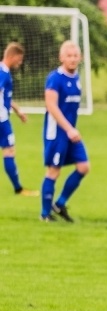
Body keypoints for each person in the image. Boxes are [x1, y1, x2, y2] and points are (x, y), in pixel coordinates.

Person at [40, 41, 90, 222]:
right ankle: (45, 214)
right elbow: (51, 105)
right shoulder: (55, 78)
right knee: (54, 171)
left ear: (80, 58)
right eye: (69, 56)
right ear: (61, 58)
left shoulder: (76, 79)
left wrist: (71, 130)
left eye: (75, 55)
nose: (72, 59)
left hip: (71, 133)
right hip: (57, 133)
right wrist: (68, 129)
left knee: (84, 167)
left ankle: (59, 204)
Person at [0, 42, 37, 196]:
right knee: (9, 150)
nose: (20, 63)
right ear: (13, 56)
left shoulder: (4, 71)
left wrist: (17, 110)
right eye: (19, 59)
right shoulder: (2, 73)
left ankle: (18, 188)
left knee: (9, 150)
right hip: (1, 120)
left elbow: (4, 96)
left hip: (3, 117)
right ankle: (18, 189)